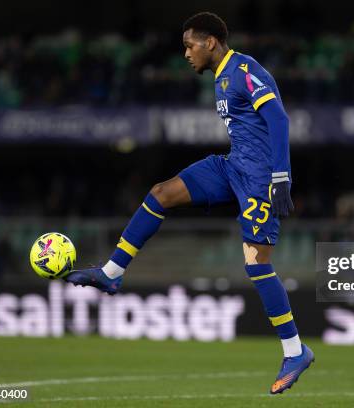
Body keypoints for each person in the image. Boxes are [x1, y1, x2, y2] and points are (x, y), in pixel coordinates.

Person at [64, 11, 314, 394]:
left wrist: (281, 177)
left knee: (256, 263)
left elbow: (278, 119)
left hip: (260, 178)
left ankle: (295, 351)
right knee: (161, 193)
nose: (185, 54)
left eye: (188, 45)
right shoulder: (220, 78)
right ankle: (112, 272)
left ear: (209, 42)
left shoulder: (245, 69)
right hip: (232, 167)